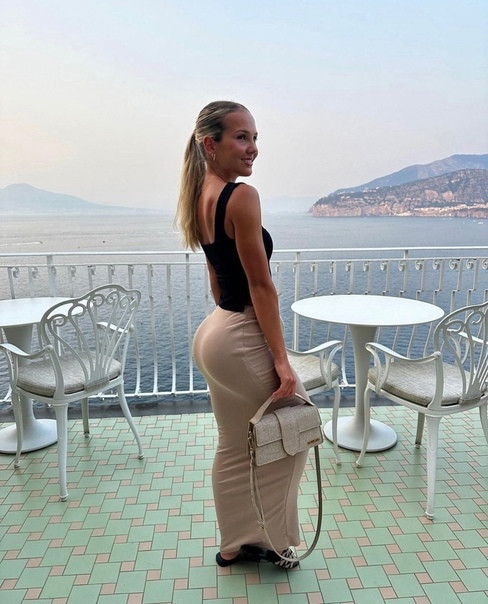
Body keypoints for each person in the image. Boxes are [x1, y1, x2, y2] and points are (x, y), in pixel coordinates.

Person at [175, 101, 309, 569]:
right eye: (241, 137)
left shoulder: (198, 195)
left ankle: (233, 543)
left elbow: (217, 282)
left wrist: (233, 327)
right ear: (211, 144)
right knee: (294, 432)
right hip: (240, 333)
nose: (252, 148)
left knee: (234, 443)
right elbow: (261, 286)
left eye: (254, 138)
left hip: (214, 333)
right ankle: (270, 542)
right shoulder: (241, 197)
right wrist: (281, 360)